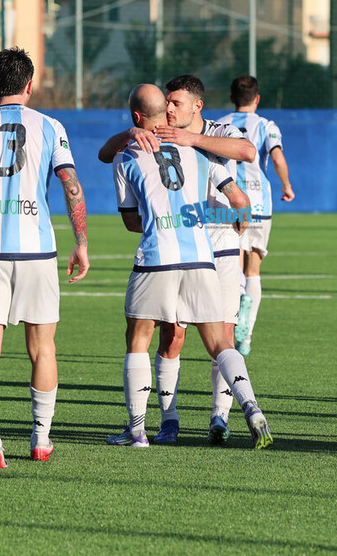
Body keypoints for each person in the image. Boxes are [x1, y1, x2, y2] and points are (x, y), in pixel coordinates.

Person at [0, 47, 90, 469]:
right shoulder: (51, 127)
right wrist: (81, 242)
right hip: (37, 252)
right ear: (30, 85)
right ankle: (41, 439)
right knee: (43, 348)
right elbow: (71, 185)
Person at [108, 83, 273, 449]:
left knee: (138, 339)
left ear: (135, 116)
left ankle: (137, 431)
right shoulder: (198, 152)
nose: (171, 107)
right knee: (219, 341)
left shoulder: (126, 156)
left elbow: (131, 221)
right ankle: (251, 408)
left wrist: (162, 220)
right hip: (201, 257)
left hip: (158, 258)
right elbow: (239, 199)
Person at [218, 75, 295, 355]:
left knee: (233, 268)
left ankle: (236, 309)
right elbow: (277, 158)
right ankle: (246, 335)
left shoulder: (220, 124)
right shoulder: (266, 126)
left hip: (229, 202)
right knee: (254, 270)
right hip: (260, 205)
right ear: (257, 98)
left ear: (231, 98)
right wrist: (286, 186)